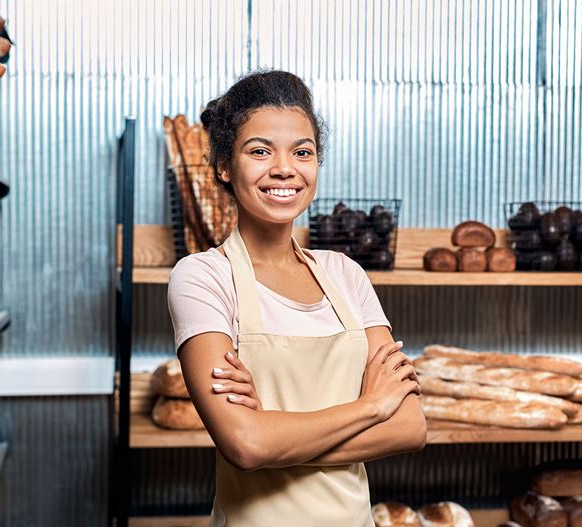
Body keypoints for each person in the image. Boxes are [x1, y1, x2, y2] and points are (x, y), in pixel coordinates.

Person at [167, 70, 426, 527]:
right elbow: (245, 445)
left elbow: (408, 426)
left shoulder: (346, 275)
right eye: (260, 151)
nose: (284, 168)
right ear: (225, 166)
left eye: (302, 152)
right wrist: (370, 407)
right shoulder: (203, 278)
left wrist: (274, 435)